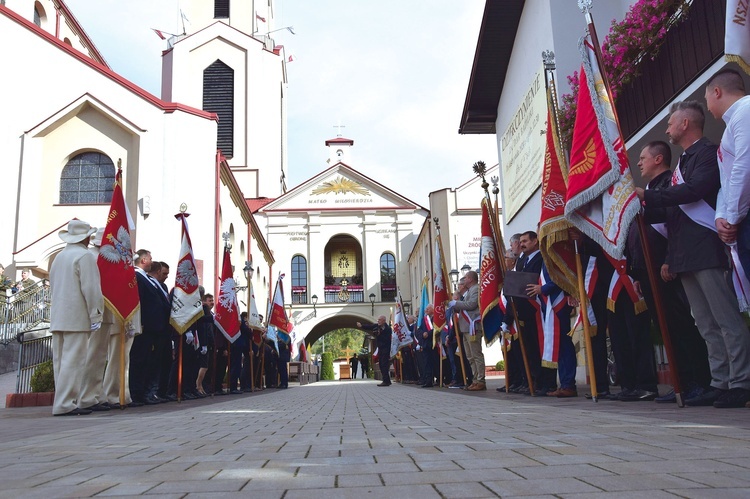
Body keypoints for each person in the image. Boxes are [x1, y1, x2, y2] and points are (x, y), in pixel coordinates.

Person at [637, 100, 750, 408]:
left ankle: (741, 381)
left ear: (685, 124)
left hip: (706, 248)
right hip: (685, 254)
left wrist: (649, 195)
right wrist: (670, 257)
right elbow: (675, 219)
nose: (668, 128)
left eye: (672, 122)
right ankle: (720, 380)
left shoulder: (707, 154)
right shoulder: (683, 162)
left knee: (726, 319)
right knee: (705, 323)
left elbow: (696, 191)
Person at [635, 141, 711, 403]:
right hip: (649, 268)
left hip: (667, 266)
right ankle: (680, 382)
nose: (639, 162)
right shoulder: (648, 189)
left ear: (658, 159)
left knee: (682, 326)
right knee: (666, 326)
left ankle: (697, 381)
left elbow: (674, 225)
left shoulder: (670, 184)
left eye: (643, 157)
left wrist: (668, 259)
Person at [49, 220, 103, 416]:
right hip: (77, 317)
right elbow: (90, 289)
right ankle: (65, 403)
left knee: (60, 362)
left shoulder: (59, 257)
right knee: (73, 362)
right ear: (86, 237)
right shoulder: (85, 256)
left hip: (59, 317)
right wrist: (95, 313)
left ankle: (61, 401)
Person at [706, 69, 750, 280]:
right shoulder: (728, 131)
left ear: (717, 92)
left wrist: (731, 218)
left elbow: (745, 166)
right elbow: (726, 181)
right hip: (742, 219)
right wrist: (720, 216)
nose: (706, 107)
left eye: (706, 98)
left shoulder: (746, 109)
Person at [131, 249, 171, 405]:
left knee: (149, 362)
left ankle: (145, 393)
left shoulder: (147, 278)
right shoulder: (137, 276)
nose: (153, 261)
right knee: (140, 361)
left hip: (156, 328)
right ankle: (137, 393)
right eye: (150, 258)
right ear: (143, 260)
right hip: (146, 326)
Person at [450, 270, 485, 391]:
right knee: (470, 356)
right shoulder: (469, 291)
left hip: (473, 327)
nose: (463, 280)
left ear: (470, 279)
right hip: (465, 328)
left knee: (476, 355)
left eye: (465, 278)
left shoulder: (476, 289)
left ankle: (480, 380)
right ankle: (475, 380)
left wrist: (455, 303)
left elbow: (471, 305)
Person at [357, 316, 392, 386]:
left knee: (384, 364)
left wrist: (380, 334)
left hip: (386, 348)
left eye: (379, 320)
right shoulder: (376, 326)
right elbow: (369, 326)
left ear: (384, 321)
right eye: (378, 319)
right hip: (380, 349)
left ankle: (386, 381)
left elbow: (387, 339)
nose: (378, 321)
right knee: (381, 364)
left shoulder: (388, 329)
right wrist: (361, 326)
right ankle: (387, 380)